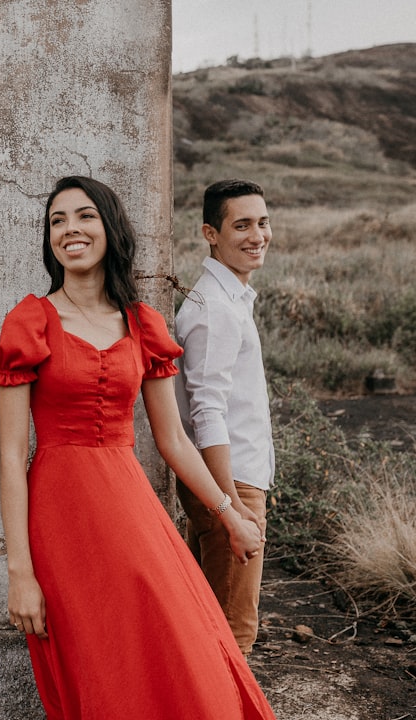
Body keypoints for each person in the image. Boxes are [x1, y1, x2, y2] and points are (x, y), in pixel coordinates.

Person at [0, 176, 275, 719]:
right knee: (101, 664)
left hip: (131, 505)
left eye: (84, 216)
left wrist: (229, 512)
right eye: (57, 220)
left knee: (182, 644)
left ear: (110, 228)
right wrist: (19, 573)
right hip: (61, 517)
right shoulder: (30, 321)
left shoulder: (144, 324)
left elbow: (173, 440)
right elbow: (10, 456)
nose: (70, 229)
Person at [174, 179, 275, 655]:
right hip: (230, 486)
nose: (257, 235)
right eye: (242, 225)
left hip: (231, 483)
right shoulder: (215, 308)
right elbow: (206, 411)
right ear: (210, 233)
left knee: (212, 626)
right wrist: (232, 508)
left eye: (262, 222)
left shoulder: (230, 299)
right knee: (232, 637)